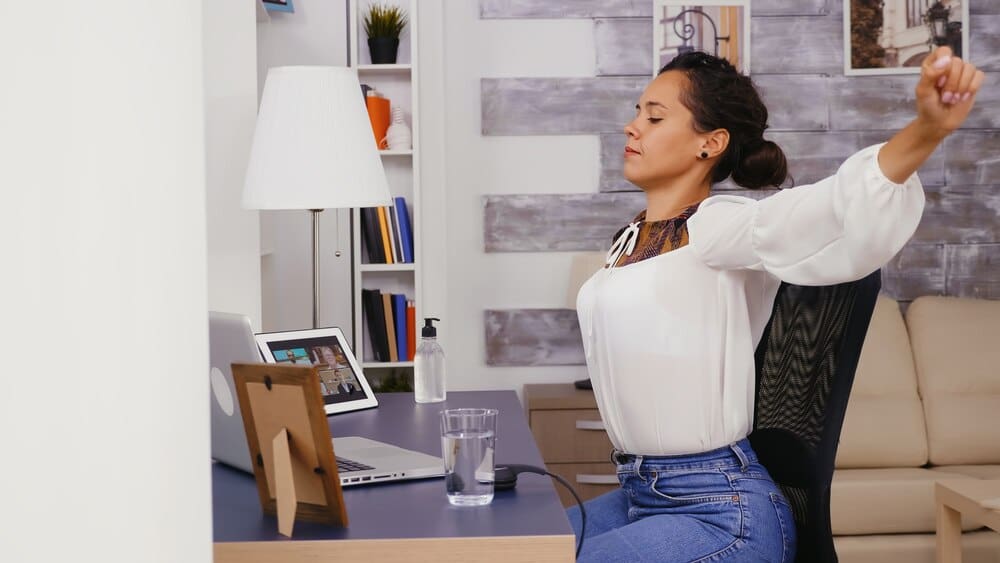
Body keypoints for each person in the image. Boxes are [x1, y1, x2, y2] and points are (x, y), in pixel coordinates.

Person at [569, 46, 983, 563]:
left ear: (711, 143)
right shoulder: (631, 240)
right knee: (505, 546)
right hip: (641, 493)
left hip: (721, 509)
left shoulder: (719, 225)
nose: (633, 127)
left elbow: (827, 209)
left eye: (654, 116)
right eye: (636, 113)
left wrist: (927, 129)